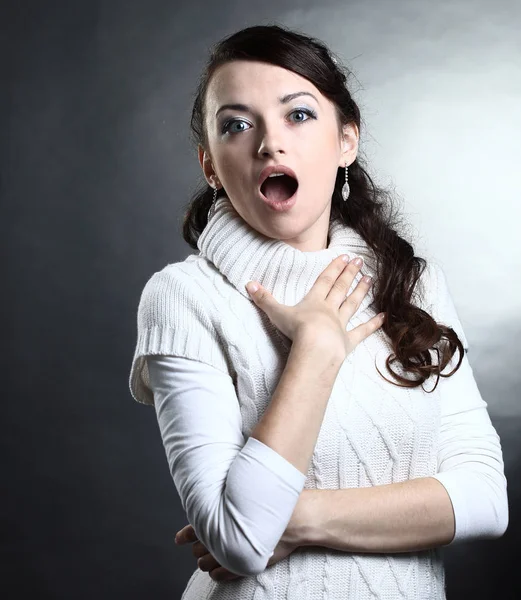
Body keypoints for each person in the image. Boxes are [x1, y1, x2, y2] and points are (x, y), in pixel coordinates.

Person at [128, 24, 508, 600]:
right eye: (236, 124)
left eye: (298, 115)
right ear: (211, 167)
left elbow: (485, 499)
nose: (268, 144)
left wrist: (295, 519)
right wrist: (316, 349)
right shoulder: (182, 297)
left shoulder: (412, 282)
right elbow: (240, 542)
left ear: (346, 141)